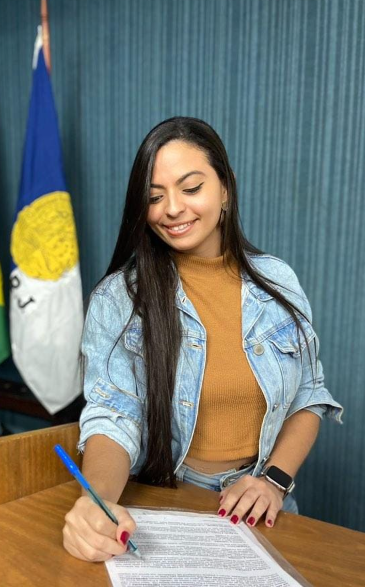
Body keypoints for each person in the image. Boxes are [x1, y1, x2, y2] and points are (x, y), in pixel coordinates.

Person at [63, 117, 343, 562]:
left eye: (191, 188)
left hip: (262, 505)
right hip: (165, 504)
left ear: (225, 189)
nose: (172, 209)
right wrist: (96, 502)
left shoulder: (278, 281)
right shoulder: (119, 298)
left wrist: (273, 481)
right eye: (154, 197)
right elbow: (114, 416)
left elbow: (307, 396)